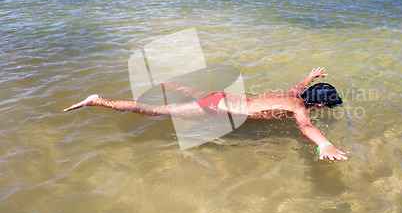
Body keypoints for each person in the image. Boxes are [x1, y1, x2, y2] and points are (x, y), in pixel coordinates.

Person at [64, 67, 348, 161]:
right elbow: (306, 127)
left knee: (196, 94)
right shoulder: (300, 108)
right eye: (325, 107)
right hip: (219, 109)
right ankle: (98, 100)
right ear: (319, 105)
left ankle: (171, 84)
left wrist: (310, 77)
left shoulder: (294, 95)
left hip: (226, 98)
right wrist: (325, 144)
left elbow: (297, 86)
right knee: (155, 112)